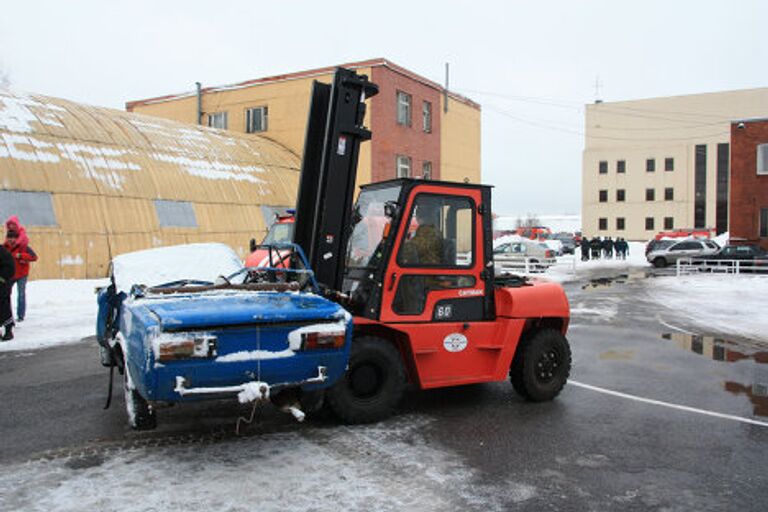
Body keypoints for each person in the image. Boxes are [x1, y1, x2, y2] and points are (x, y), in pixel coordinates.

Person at [3, 228, 38, 321]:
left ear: (16, 238)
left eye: (13, 238)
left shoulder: (24, 247)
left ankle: (20, 315)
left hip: (22, 274)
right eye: (9, 237)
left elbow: (34, 257)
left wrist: (21, 255)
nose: (10, 240)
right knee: (6, 295)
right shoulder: (4, 247)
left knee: (21, 294)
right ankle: (8, 316)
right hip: (10, 275)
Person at [0, 244, 14, 341]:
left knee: (4, 307)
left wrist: (2, 278)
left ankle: (8, 330)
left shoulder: (2, 251)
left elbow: (10, 267)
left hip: (2, 285)